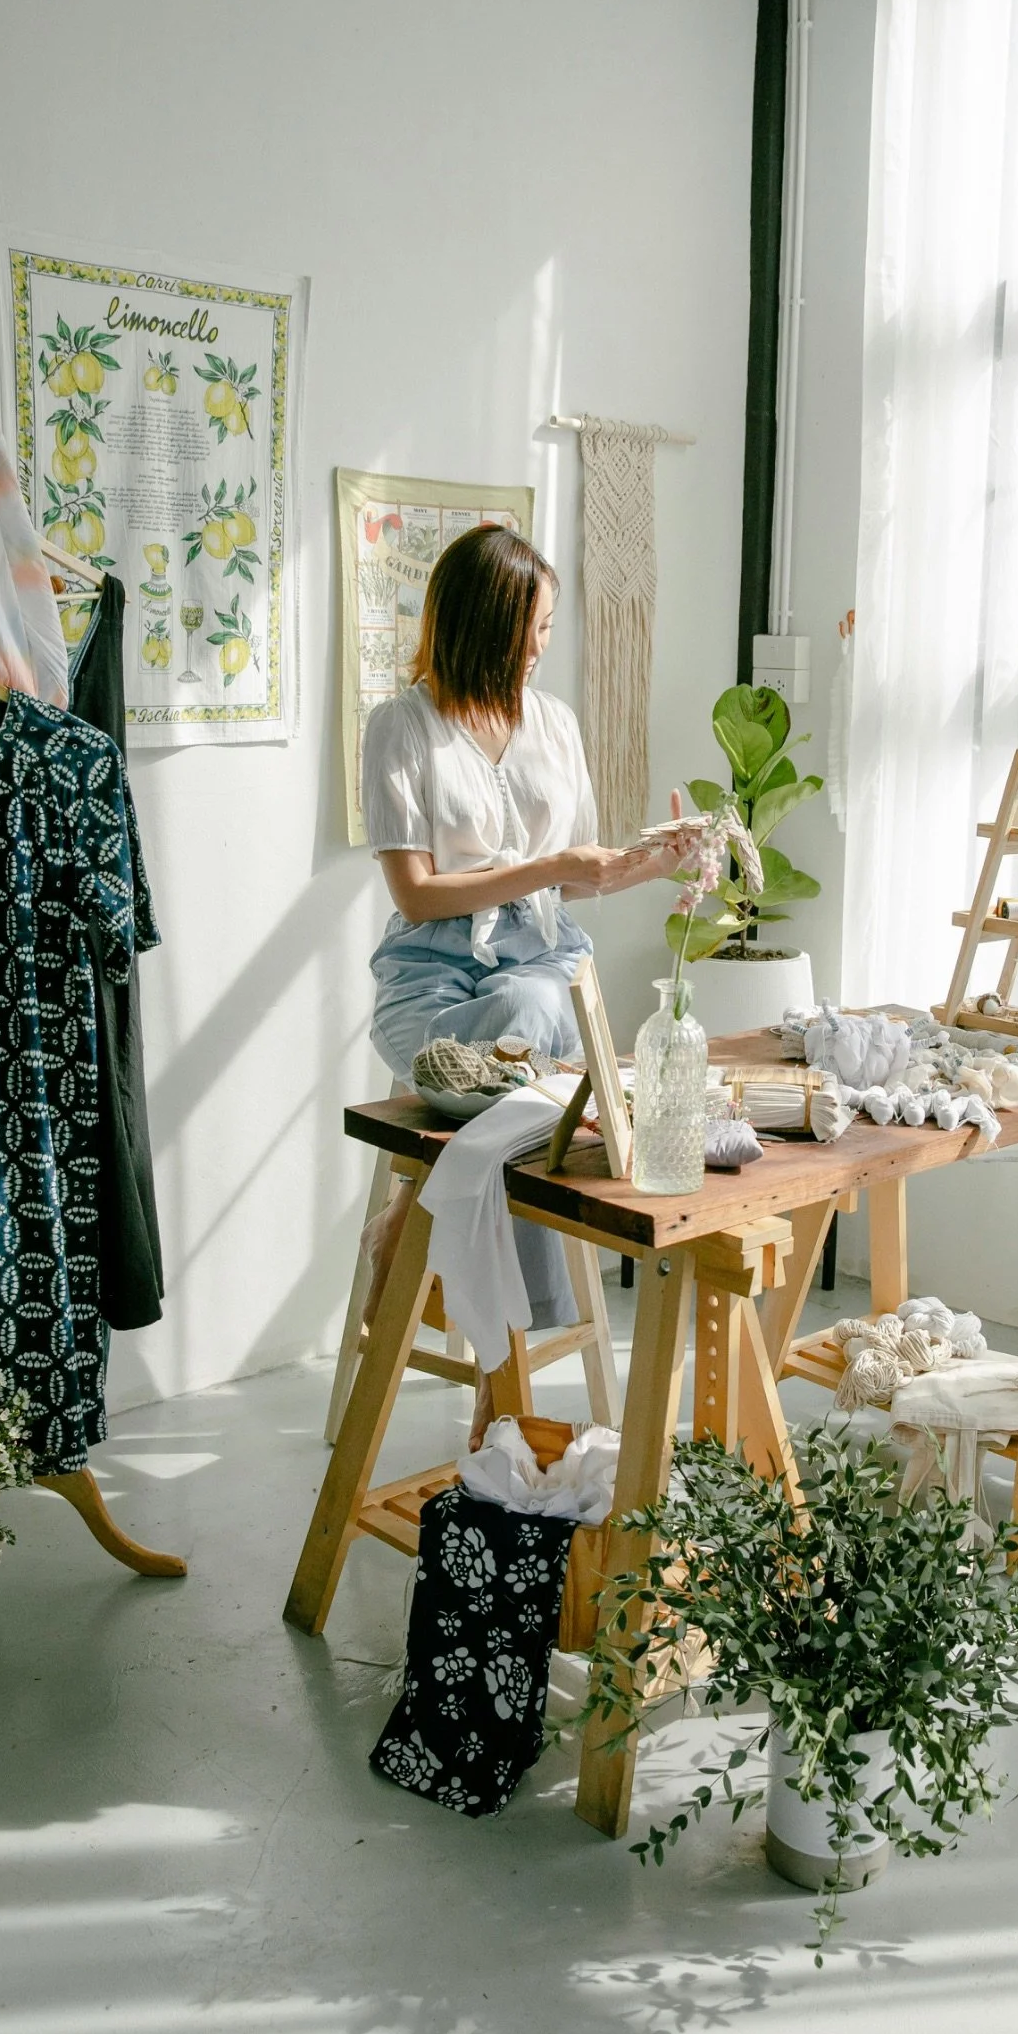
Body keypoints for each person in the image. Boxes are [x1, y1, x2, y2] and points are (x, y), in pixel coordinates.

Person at [360, 522, 693, 1443]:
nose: (546, 646)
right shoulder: (402, 727)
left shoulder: (554, 724)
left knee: (540, 1002)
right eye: (537, 627)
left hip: (544, 954)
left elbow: (580, 875)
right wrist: (546, 871)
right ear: (491, 623)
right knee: (535, 1031)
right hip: (431, 979)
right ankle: (509, 1357)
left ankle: (418, 1208)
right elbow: (417, 894)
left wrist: (660, 861)